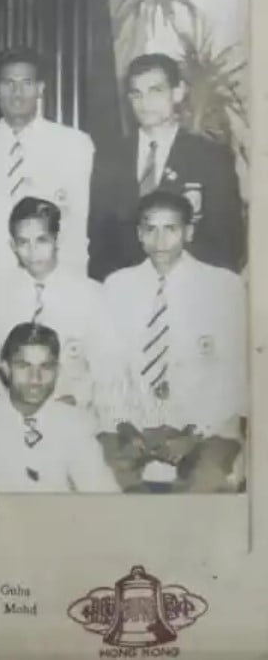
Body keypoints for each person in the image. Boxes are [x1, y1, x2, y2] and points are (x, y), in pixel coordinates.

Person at [99, 191, 246, 492]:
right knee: (104, 482)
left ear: (188, 232)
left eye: (170, 229)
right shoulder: (117, 286)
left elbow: (235, 377)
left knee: (204, 486)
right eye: (150, 229)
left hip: (205, 428)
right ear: (139, 233)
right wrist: (125, 425)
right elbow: (108, 369)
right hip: (136, 426)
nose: (159, 241)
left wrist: (194, 434)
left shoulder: (222, 286)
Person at [88, 53, 245, 280]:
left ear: (178, 92)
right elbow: (98, 237)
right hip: (126, 286)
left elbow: (228, 239)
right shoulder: (109, 157)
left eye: (155, 91)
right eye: (136, 94)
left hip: (191, 285)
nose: (145, 103)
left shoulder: (210, 157)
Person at [0, 47, 94, 287]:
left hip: (54, 276)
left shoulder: (74, 144)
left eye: (27, 83)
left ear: (40, 88)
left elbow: (79, 221)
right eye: (9, 83)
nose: (17, 93)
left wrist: (73, 278)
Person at [0, 197, 120, 411]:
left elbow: (109, 369)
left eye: (41, 240)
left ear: (57, 240)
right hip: (10, 412)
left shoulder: (91, 295)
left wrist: (77, 398)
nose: (32, 251)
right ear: (13, 246)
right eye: (23, 242)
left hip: (73, 411)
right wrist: (2, 402)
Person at [0, 323, 120, 493]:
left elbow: (102, 495)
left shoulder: (77, 425)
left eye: (45, 367)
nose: (35, 378)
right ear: (6, 369)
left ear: (57, 370)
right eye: (24, 366)